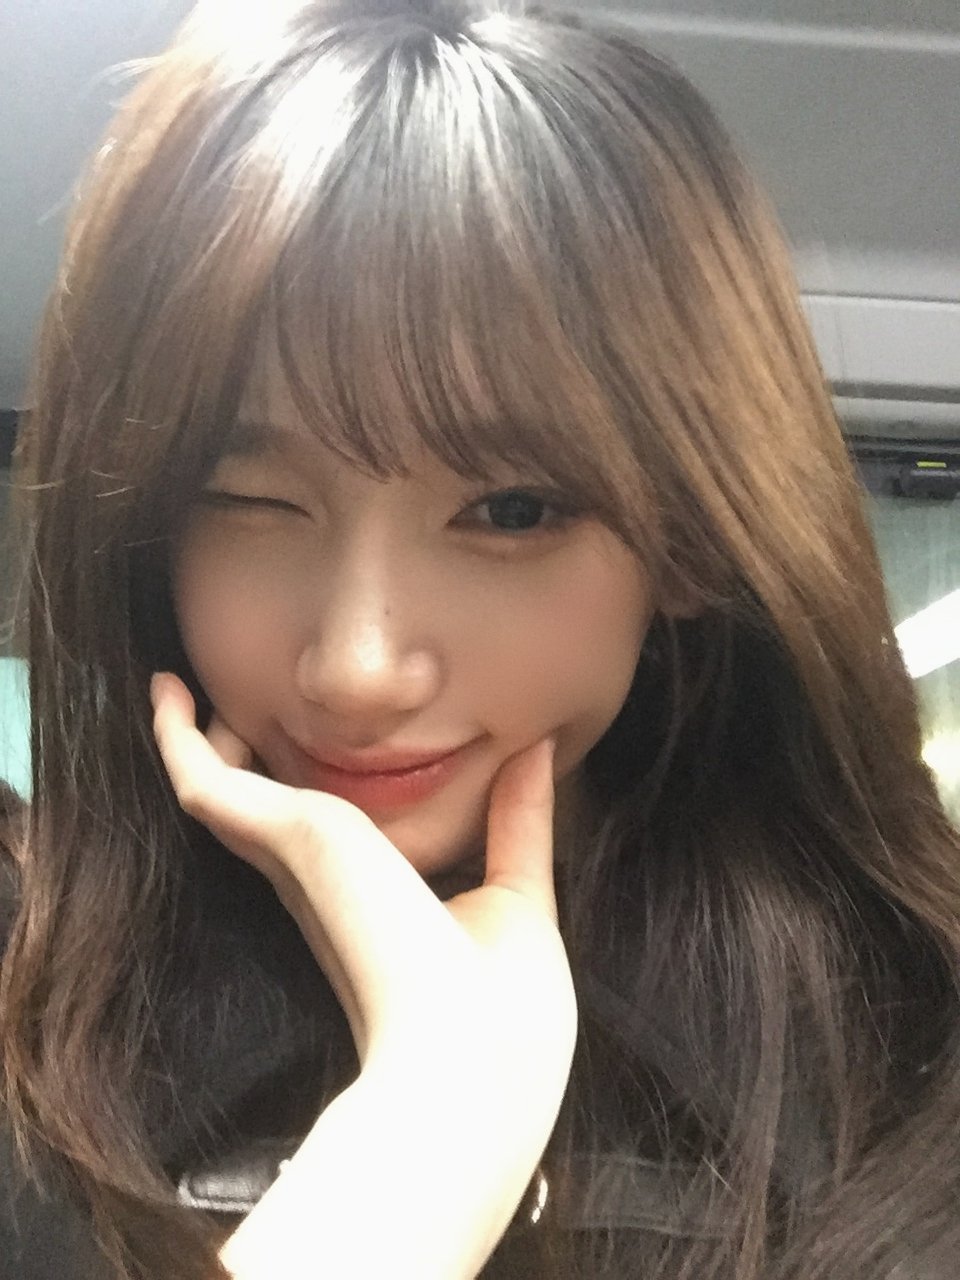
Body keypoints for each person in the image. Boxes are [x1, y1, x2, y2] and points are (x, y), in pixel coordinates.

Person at [2, 0, 959, 1275]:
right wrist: (433, 1122)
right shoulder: (28, 997)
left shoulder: (914, 1034)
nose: (358, 667)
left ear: (687, 541)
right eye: (247, 498)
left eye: (511, 510)